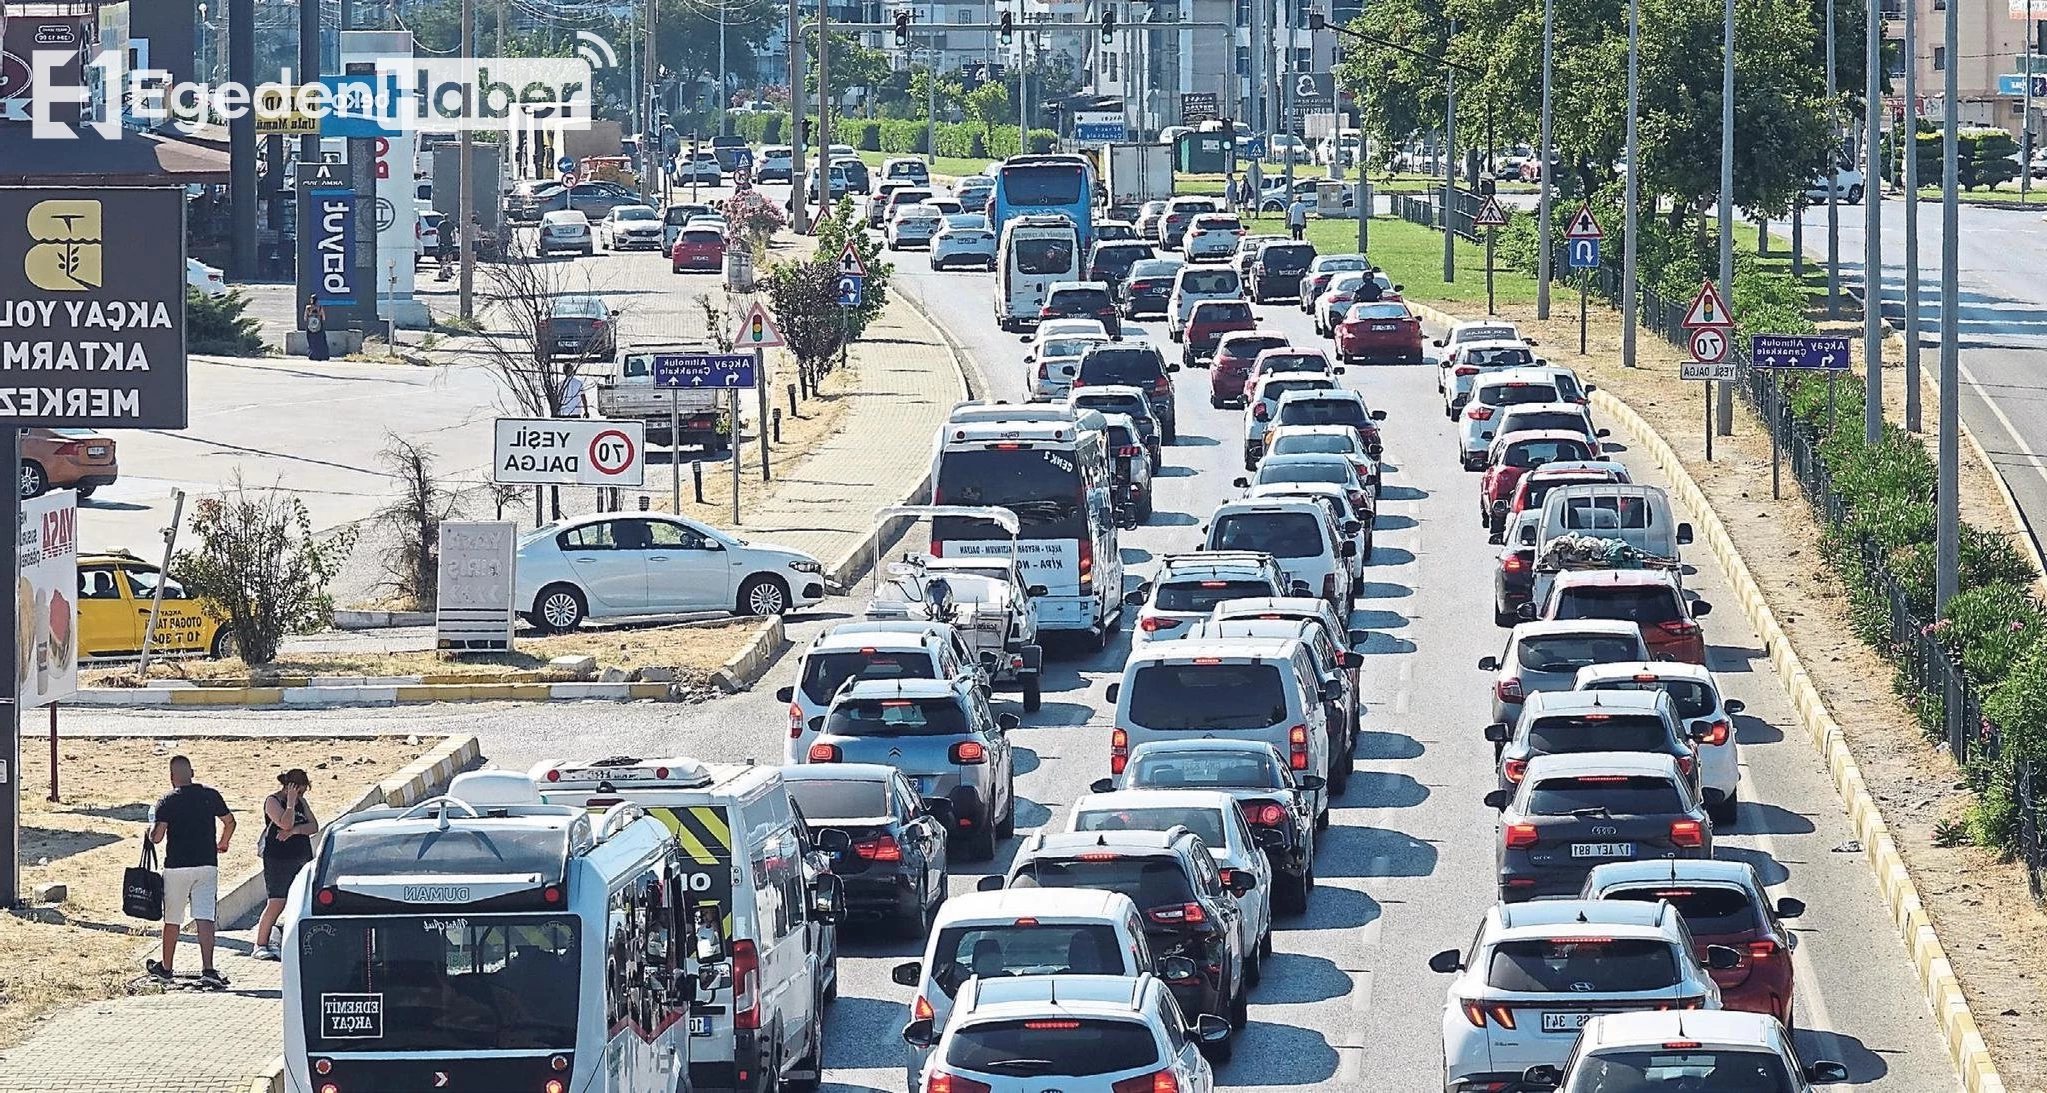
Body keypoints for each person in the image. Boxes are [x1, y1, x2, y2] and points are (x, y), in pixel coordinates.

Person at [147, 755, 236, 988]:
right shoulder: (210, 795)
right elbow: (230, 822)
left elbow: (157, 837)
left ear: (171, 777)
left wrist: (149, 830)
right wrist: (223, 842)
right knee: (205, 917)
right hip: (207, 864)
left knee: (173, 919)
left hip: (177, 866)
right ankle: (208, 968)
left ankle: (166, 969)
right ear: (192, 773)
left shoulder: (167, 800)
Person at [250, 768, 319, 961]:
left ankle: (288, 940)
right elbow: (284, 823)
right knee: (277, 901)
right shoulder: (272, 801)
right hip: (278, 858)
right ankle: (260, 944)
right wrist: (289, 805)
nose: (301, 796)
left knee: (301, 899)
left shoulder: (302, 802)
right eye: (299, 791)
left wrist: (296, 830)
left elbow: (313, 826)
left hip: (300, 855)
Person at [302, 296, 329, 361]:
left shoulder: (308, 308)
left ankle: (312, 355)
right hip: (319, 328)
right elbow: (324, 318)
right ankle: (322, 356)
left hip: (310, 328)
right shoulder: (320, 307)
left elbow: (305, 318)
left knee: (312, 343)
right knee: (321, 342)